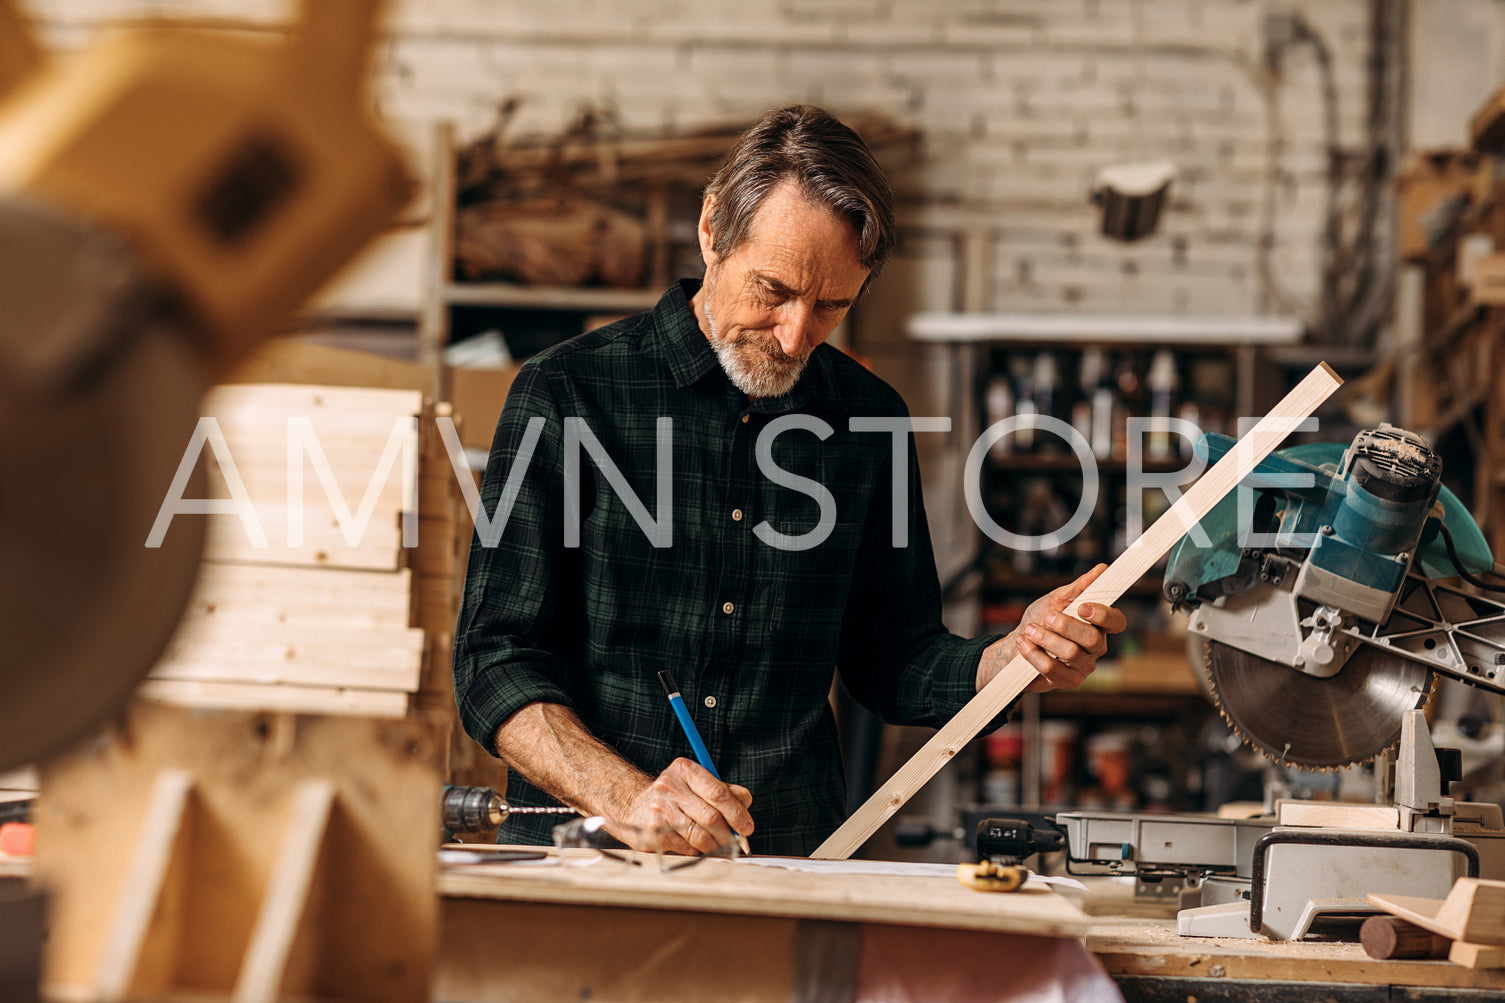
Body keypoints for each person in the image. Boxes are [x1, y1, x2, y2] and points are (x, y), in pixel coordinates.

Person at [453, 104, 1127, 856]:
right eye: (773, 289)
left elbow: (892, 658)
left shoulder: (867, 419)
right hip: (587, 864)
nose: (796, 333)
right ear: (712, 230)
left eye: (832, 304)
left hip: (792, 858)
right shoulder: (567, 392)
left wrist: (1008, 660)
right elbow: (493, 662)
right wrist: (625, 798)